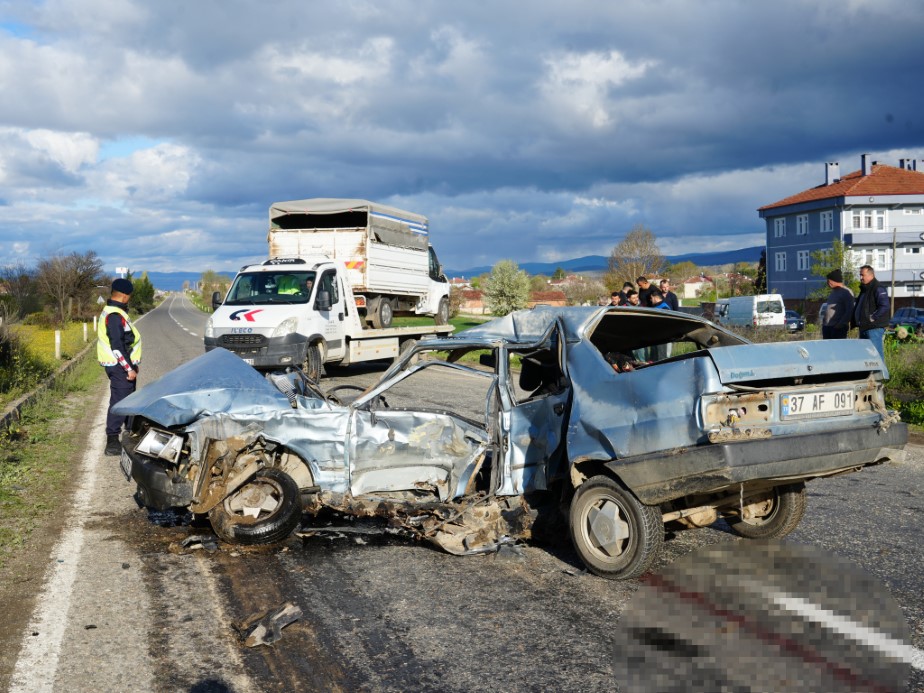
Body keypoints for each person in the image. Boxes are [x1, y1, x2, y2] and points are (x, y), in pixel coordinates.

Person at [98, 278, 142, 456]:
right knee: (119, 401)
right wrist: (128, 368)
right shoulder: (114, 316)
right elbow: (117, 346)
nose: (129, 299)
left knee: (129, 398)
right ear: (124, 297)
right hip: (118, 366)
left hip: (122, 364)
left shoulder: (114, 312)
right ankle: (112, 441)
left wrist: (133, 364)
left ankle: (130, 431)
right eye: (129, 296)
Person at [852, 265, 890, 360]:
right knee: (866, 358)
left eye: (862, 275)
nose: (860, 278)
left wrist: (873, 317)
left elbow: (885, 306)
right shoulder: (864, 289)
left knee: (877, 356)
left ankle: (882, 375)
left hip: (874, 329)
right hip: (864, 328)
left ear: (871, 275)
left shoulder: (878, 288)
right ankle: (869, 375)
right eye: (860, 275)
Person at [821, 269, 853, 339]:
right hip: (827, 326)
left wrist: (840, 324)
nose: (827, 283)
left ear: (833, 281)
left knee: (837, 348)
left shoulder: (846, 292)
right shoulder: (833, 292)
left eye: (828, 281)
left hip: (837, 328)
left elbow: (849, 310)